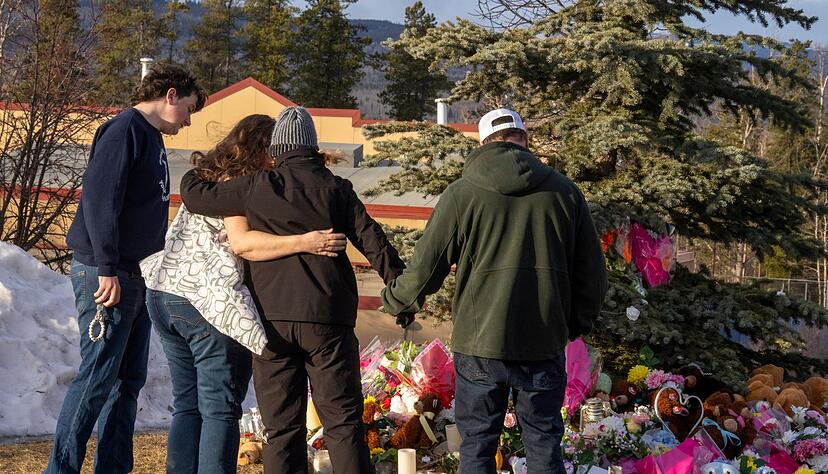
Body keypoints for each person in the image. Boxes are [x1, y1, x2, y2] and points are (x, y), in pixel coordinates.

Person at [180, 106, 406, 474]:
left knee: (282, 428)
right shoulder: (337, 189)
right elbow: (375, 244)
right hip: (328, 321)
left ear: (277, 149)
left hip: (272, 321)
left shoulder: (257, 187)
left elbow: (194, 195)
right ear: (313, 147)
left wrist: (209, 163)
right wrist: (403, 294)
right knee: (343, 424)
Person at [381, 108, 609, 473]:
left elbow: (427, 268)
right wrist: (573, 326)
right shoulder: (565, 193)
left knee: (478, 446)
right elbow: (593, 277)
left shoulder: (462, 194)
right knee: (543, 441)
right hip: (542, 342)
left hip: (480, 344)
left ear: (483, 144)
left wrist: (396, 299)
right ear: (525, 141)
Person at [139, 114, 348, 474]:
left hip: (163, 291)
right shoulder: (239, 183)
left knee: (188, 404)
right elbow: (243, 243)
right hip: (207, 300)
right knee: (220, 407)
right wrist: (308, 241)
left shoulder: (207, 177)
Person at [46, 64, 206, 474]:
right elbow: (101, 200)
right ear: (170, 94)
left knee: (127, 381)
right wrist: (107, 267)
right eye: (188, 109)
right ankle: (60, 469)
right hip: (108, 274)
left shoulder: (150, 138)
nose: (188, 121)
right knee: (97, 376)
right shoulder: (124, 131)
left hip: (137, 275)